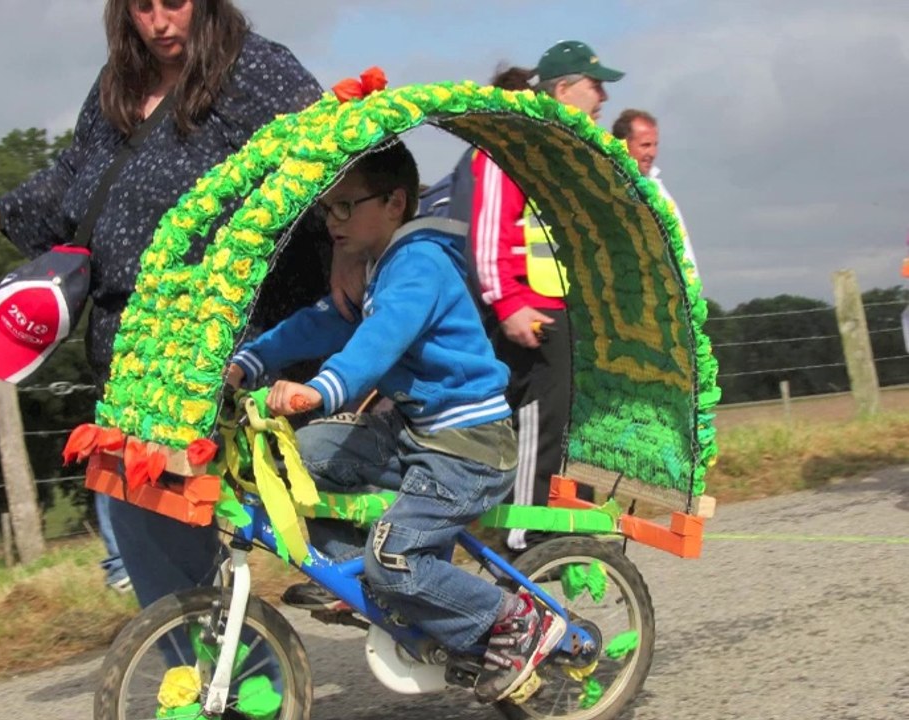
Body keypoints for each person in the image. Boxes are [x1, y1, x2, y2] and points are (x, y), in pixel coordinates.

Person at [0, 0, 362, 607]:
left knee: (233, 500)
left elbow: (331, 155)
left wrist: (346, 251)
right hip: (129, 345)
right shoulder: (116, 85)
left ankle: (391, 583)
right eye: (142, 7)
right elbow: (75, 175)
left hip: (221, 335)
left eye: (174, 3)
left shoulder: (255, 72)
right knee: (148, 521)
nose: (158, 24)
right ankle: (217, 676)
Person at [226, 141, 566, 702]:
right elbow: (319, 324)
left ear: (393, 203)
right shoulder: (376, 266)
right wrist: (250, 360)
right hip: (413, 433)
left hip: (467, 449)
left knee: (395, 555)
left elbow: (375, 344)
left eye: (344, 207)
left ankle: (514, 619)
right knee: (301, 458)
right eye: (326, 210)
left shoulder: (418, 267)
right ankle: (352, 574)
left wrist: (319, 390)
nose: (332, 221)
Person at [446, 41, 625, 553]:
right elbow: (488, 231)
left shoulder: (561, 148)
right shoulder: (516, 141)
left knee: (564, 427)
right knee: (538, 428)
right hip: (529, 312)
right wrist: (507, 303)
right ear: (564, 89)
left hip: (559, 310)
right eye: (595, 85)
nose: (604, 97)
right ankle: (523, 541)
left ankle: (556, 528)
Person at [612, 108, 699, 280]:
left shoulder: (655, 185)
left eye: (655, 145)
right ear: (622, 144)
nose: (652, 153)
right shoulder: (614, 189)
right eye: (645, 145)